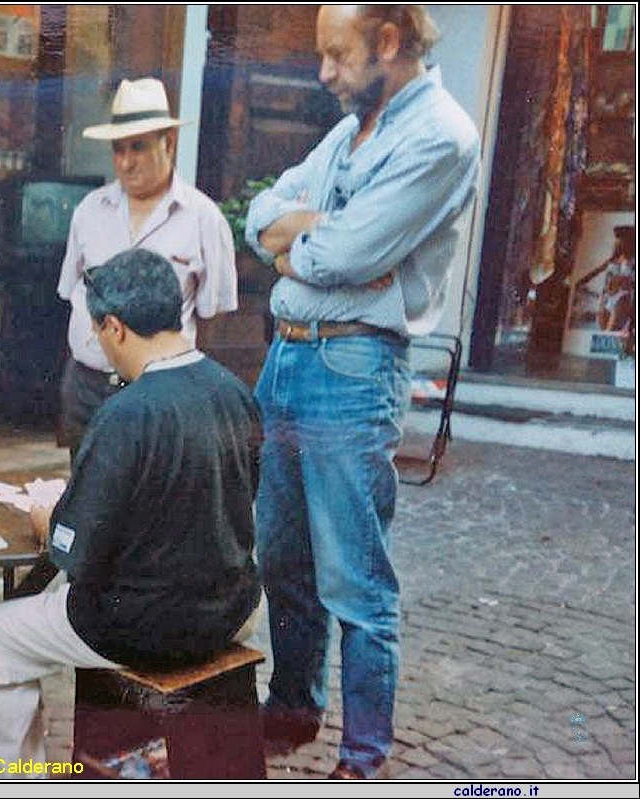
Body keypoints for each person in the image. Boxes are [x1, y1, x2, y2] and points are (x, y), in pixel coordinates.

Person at [244, 5, 480, 779]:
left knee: (354, 573)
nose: (323, 73)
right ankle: (293, 708)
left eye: (336, 55)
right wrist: (315, 236)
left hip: (354, 369)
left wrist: (309, 241)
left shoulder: (441, 135)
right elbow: (260, 216)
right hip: (288, 358)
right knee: (281, 556)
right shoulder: (350, 132)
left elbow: (347, 253)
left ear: (388, 43)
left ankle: (364, 751)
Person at [0, 248, 263, 776]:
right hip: (234, 611)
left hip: (146, 629)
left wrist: (45, 518)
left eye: (98, 332)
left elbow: (73, 555)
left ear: (115, 327)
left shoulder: (125, 413)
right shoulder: (235, 392)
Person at [56, 77, 237, 460]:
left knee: (149, 503)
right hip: (87, 385)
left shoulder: (204, 219)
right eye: (118, 149)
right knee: (86, 496)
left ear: (168, 143)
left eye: (138, 147)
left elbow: (213, 318)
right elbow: (72, 293)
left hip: (159, 393)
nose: (125, 161)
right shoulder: (89, 212)